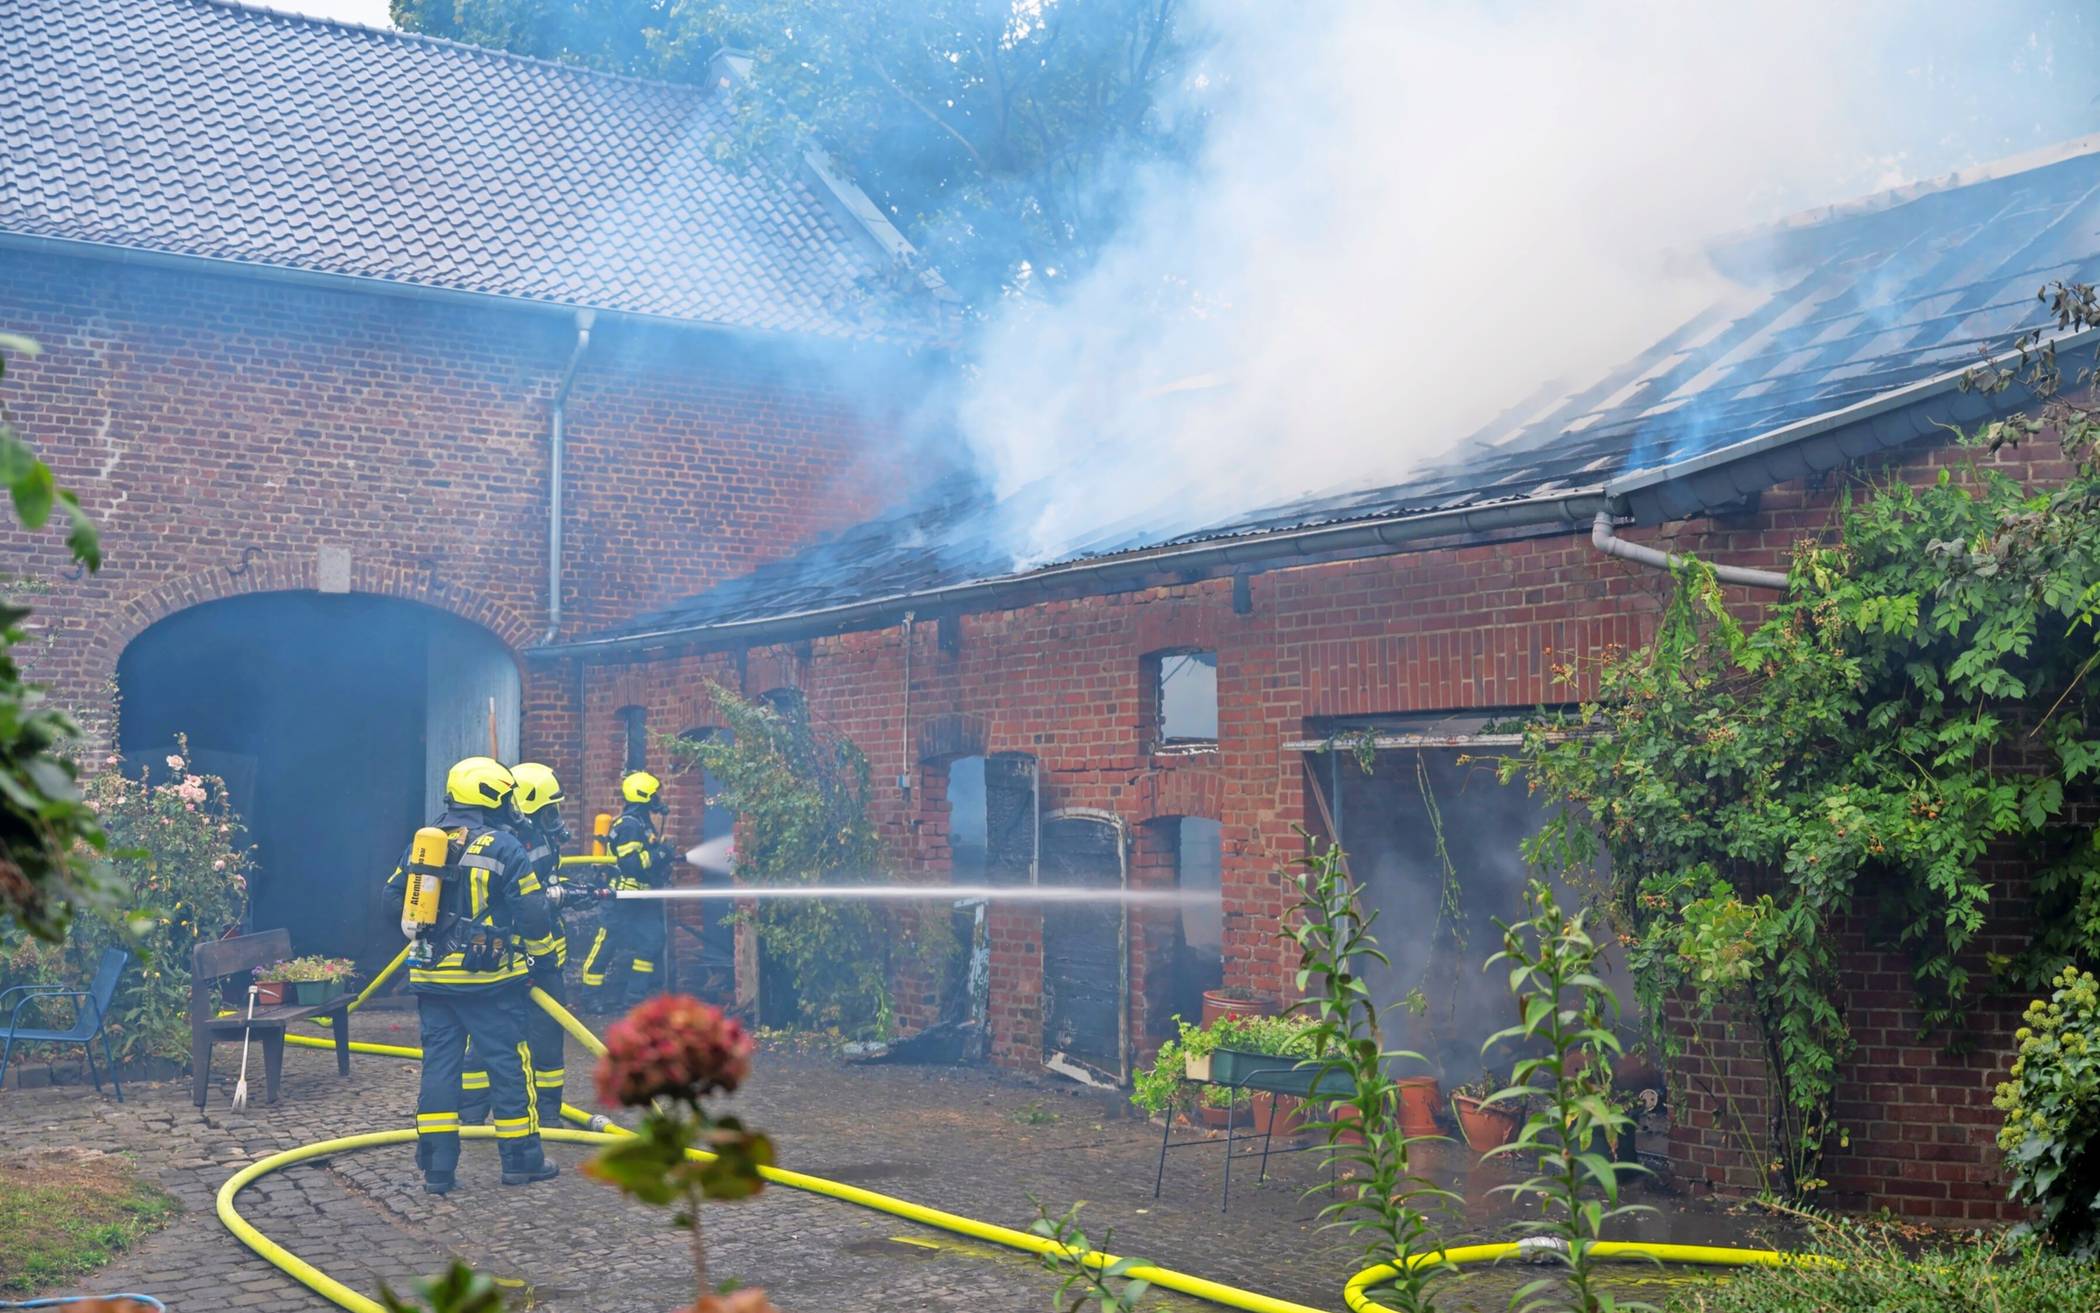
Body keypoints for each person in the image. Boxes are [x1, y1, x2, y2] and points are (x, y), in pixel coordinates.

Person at [392, 757, 560, 1195]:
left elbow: (391, 900)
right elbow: (533, 911)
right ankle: (522, 1161)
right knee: (508, 1065)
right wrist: (544, 962)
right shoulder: (504, 846)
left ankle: (438, 1169)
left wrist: (431, 930)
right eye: (505, 795)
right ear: (489, 796)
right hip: (489, 984)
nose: (510, 804)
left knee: (439, 1069)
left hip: (432, 982)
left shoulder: (423, 844)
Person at [580, 769, 673, 1011]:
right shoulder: (629, 826)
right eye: (654, 795)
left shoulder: (644, 823)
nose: (658, 800)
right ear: (643, 796)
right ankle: (590, 997)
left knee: (652, 940)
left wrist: (664, 855)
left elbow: (647, 859)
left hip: (641, 897)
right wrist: (659, 853)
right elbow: (631, 863)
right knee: (607, 944)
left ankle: (635, 998)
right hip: (621, 897)